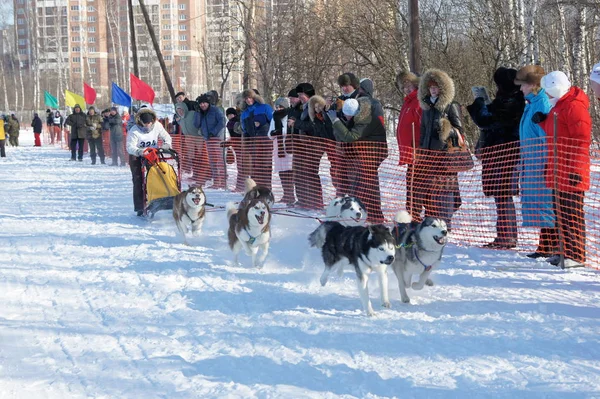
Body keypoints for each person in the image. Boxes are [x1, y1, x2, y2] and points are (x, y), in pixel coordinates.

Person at [536, 71, 592, 268]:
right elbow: (557, 133)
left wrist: (575, 170)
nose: (548, 97)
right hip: (557, 169)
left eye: (549, 93)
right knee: (559, 214)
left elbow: (581, 140)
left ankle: (576, 255)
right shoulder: (558, 106)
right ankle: (563, 251)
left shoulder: (574, 107)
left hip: (571, 172)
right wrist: (542, 121)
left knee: (572, 215)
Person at [468, 67, 525, 249]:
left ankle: (507, 236)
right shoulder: (510, 100)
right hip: (501, 153)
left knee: (503, 194)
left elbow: (486, 120)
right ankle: (505, 235)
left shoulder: (511, 101)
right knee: (501, 195)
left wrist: (479, 103)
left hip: (505, 154)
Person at [513, 65, 556, 258]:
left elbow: (546, 137)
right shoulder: (530, 103)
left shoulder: (541, 104)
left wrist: (546, 163)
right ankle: (544, 245)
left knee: (545, 204)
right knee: (539, 204)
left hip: (540, 163)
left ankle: (550, 246)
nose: (520, 89)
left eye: (523, 85)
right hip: (531, 162)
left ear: (532, 85)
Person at [414, 68, 463, 230]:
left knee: (446, 190)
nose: (433, 90)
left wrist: (446, 129)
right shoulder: (427, 106)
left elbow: (459, 130)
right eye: (430, 88)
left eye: (435, 87)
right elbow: (423, 130)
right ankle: (432, 219)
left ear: (442, 89)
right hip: (429, 154)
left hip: (445, 154)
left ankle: (446, 221)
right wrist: (421, 149)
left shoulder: (450, 106)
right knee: (430, 189)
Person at [328, 95, 388, 223]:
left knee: (366, 187)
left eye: (349, 116)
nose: (348, 118)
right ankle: (365, 216)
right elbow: (342, 136)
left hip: (371, 154)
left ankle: (373, 217)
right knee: (359, 187)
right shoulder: (356, 117)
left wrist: (336, 121)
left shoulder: (365, 119)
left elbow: (350, 136)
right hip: (360, 154)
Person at [126, 108, 172, 216]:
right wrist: (140, 152)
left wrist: (165, 146)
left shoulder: (157, 126)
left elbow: (167, 138)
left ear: (152, 121)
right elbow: (129, 147)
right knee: (138, 180)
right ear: (140, 121)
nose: (147, 125)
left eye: (149, 123)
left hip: (153, 154)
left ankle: (157, 200)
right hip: (137, 155)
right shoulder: (134, 130)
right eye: (145, 123)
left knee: (156, 176)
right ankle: (139, 207)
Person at [396, 71, 422, 220]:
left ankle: (414, 215)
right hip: (409, 152)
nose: (406, 88)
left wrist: (419, 146)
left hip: (417, 151)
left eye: (408, 85)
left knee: (414, 184)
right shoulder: (407, 101)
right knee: (411, 183)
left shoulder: (417, 101)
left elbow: (421, 124)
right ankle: (412, 214)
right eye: (403, 86)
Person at [240, 89, 274, 189]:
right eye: (246, 98)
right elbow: (243, 127)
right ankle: (256, 188)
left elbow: (273, 121)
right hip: (252, 142)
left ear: (254, 97)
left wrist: (264, 126)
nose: (248, 100)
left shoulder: (264, 108)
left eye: (250, 98)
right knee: (254, 166)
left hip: (265, 141)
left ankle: (267, 188)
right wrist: (245, 134)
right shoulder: (244, 113)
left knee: (266, 165)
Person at [193, 94, 226, 189]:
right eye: (201, 104)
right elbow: (196, 124)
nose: (202, 105)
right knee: (212, 161)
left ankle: (223, 181)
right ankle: (216, 181)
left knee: (219, 160)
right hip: (208, 138)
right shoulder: (200, 112)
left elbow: (222, 121)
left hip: (217, 138)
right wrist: (197, 113)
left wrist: (214, 132)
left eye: (204, 103)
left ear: (208, 103)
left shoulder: (215, 110)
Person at [268, 97, 296, 205]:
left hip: (288, 147)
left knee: (289, 172)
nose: (278, 108)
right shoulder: (274, 117)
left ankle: (291, 195)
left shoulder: (289, 116)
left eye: (280, 106)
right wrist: (273, 133)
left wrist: (281, 131)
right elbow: (269, 133)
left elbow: (289, 130)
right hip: (278, 148)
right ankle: (286, 194)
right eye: (277, 106)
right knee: (282, 173)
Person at [225, 107, 245, 192]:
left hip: (241, 146)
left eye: (231, 114)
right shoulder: (230, 122)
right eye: (228, 115)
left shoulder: (236, 122)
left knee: (242, 167)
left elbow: (238, 134)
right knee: (240, 166)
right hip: (236, 146)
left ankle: (240, 186)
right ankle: (240, 186)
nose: (230, 116)